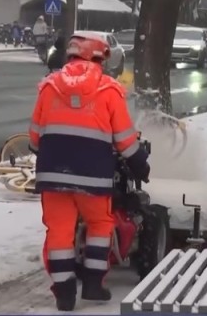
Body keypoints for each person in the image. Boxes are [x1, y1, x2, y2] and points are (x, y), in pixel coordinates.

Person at [29, 32, 151, 311]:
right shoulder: (109, 90)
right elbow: (125, 139)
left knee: (59, 231)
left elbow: (34, 138)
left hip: (53, 176)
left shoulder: (48, 88)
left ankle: (64, 293)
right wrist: (140, 164)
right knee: (100, 224)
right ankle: (93, 284)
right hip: (93, 176)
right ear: (98, 58)